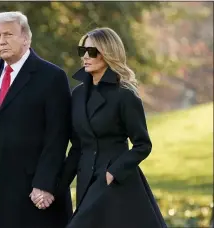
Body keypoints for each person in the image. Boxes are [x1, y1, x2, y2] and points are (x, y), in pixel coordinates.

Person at [57, 27, 167, 228]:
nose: (85, 57)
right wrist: (56, 187)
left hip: (115, 182)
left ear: (108, 53)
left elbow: (143, 145)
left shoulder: (125, 96)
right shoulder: (78, 94)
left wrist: (113, 172)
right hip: (86, 180)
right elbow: (78, 146)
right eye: (83, 51)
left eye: (92, 52)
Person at [0, 11, 73, 228]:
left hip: (33, 193)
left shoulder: (52, 77)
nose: (2, 41)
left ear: (26, 37)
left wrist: (45, 184)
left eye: (8, 34)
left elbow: (58, 136)